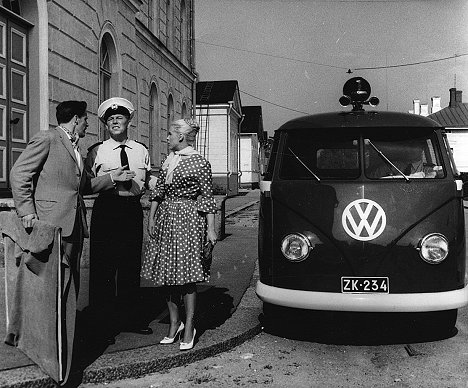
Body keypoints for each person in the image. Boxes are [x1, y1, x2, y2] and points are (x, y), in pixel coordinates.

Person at [9, 100, 128, 383]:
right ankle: (50, 353)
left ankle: (60, 351)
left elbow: (82, 186)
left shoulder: (73, 147)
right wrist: (26, 211)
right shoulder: (48, 139)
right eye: (85, 119)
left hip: (72, 229)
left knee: (66, 291)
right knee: (52, 291)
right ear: (75, 120)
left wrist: (112, 177)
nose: (88, 124)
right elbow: (19, 173)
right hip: (51, 228)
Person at [141, 118, 217, 351]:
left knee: (187, 274)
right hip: (166, 218)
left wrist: (211, 229)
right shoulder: (168, 161)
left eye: (170, 135)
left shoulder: (199, 162)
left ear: (181, 137)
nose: (167, 138)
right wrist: (152, 217)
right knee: (167, 273)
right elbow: (159, 191)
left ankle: (190, 324)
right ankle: (175, 323)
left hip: (189, 220)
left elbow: (206, 197)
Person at [85, 97, 155, 343]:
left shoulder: (141, 149)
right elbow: (86, 185)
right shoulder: (96, 150)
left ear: (129, 121)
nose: (115, 122)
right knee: (103, 267)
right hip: (107, 209)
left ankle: (131, 319)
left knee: (129, 265)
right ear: (105, 124)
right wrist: (112, 178)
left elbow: (148, 182)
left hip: (131, 209)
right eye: (110, 119)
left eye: (120, 118)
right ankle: (101, 322)